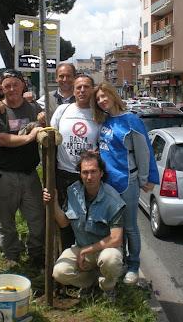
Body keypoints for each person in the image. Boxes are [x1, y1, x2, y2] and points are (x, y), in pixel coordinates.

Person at [93, 82, 159, 285]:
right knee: (113, 227)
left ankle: (133, 266)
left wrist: (145, 179)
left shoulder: (130, 120)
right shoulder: (105, 120)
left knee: (130, 227)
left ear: (113, 95)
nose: (102, 101)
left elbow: (144, 151)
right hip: (108, 183)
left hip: (127, 181)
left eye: (104, 96)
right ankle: (118, 265)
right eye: (98, 99)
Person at [43, 151, 125, 294]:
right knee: (59, 272)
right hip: (81, 248)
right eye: (85, 172)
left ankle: (108, 287)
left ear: (101, 173)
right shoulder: (73, 191)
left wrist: (86, 251)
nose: (89, 177)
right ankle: (91, 282)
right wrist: (53, 203)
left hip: (105, 249)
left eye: (93, 172)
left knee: (111, 260)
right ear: (80, 174)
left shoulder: (113, 199)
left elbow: (116, 239)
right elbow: (63, 223)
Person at [0, 69, 45, 267]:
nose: (11, 89)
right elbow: (2, 140)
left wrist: (42, 120)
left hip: (30, 174)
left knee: (37, 219)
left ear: (23, 86)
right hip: (4, 176)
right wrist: (29, 137)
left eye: (15, 84)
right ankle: (12, 257)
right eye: (7, 86)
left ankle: (36, 256)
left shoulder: (33, 107)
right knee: (6, 223)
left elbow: (43, 122)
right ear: (1, 89)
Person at [51, 74, 99, 249]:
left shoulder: (99, 113)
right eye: (78, 87)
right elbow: (51, 137)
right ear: (73, 89)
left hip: (88, 176)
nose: (82, 90)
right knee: (64, 220)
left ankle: (88, 257)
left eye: (86, 86)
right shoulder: (62, 110)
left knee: (88, 219)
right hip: (64, 174)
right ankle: (67, 257)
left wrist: (98, 154)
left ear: (92, 89)